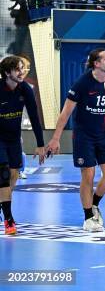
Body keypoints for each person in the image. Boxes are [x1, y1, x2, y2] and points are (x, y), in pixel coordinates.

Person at [46, 49, 105, 232]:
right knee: (89, 174)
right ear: (96, 63)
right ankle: (88, 218)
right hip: (84, 135)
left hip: (104, 134)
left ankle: (94, 203)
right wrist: (55, 139)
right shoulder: (82, 84)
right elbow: (66, 112)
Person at [0, 56, 45, 235]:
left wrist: (40, 144)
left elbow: (34, 116)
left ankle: (2, 204)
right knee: (3, 174)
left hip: (13, 139)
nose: (21, 72)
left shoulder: (25, 89)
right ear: (6, 73)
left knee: (13, 175)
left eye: (22, 68)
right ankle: (9, 220)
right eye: (17, 69)